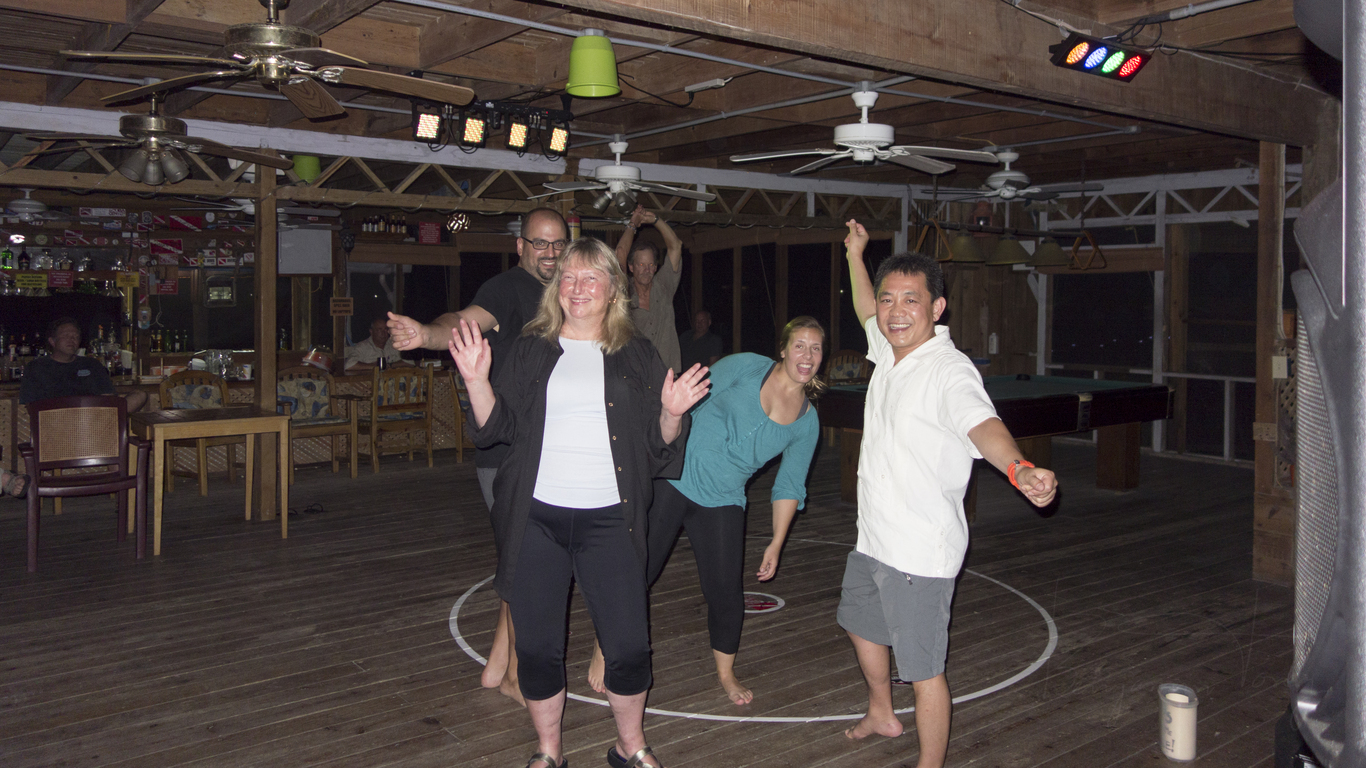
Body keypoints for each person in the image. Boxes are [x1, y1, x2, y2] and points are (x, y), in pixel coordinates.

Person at [448, 237, 709, 768]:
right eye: (568, 276)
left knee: (628, 645)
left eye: (591, 277)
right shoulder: (531, 347)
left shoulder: (637, 352)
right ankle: (549, 750)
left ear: (613, 289)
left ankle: (630, 746)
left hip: (612, 521)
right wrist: (476, 380)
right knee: (537, 647)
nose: (577, 287)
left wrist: (673, 412)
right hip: (535, 520)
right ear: (556, 288)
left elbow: (658, 449)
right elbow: (496, 429)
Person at [838, 220, 1057, 767]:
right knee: (860, 624)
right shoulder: (887, 346)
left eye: (910, 300)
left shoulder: (949, 371)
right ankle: (881, 712)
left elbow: (983, 425)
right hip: (873, 536)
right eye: (890, 299)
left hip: (919, 550)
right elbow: (864, 307)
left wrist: (1019, 468)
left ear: (936, 308)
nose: (895, 311)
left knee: (923, 669)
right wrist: (856, 255)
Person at [588, 316, 825, 706]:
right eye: (800, 345)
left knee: (726, 594)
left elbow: (789, 485)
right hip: (676, 477)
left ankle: (726, 673)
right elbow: (690, 396)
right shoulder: (748, 366)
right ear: (783, 349)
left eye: (815, 348)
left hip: (724, 498)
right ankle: (603, 642)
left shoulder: (807, 422)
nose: (807, 355)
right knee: (640, 569)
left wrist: (776, 542)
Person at [386, 207, 568, 705]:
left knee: (518, 561)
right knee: (528, 568)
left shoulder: (564, 294)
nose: (549, 252)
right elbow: (463, 323)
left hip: (540, 451)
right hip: (507, 454)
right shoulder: (507, 289)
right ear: (520, 247)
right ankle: (514, 678)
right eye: (539, 243)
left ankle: (495, 666)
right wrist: (426, 335)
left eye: (557, 243)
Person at [19, 317, 148, 413]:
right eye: (66, 336)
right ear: (52, 341)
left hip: (93, 421)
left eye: (76, 336)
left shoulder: (92, 365)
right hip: (56, 423)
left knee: (139, 395)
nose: (72, 340)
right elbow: (31, 407)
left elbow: (108, 399)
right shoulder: (36, 367)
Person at [616, 205, 683, 373]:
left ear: (655, 267)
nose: (647, 269)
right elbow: (619, 255)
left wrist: (655, 220)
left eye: (651, 265)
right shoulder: (624, 291)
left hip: (667, 375)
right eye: (641, 264)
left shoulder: (664, 286)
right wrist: (633, 224)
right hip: (634, 374)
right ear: (631, 267)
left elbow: (675, 245)